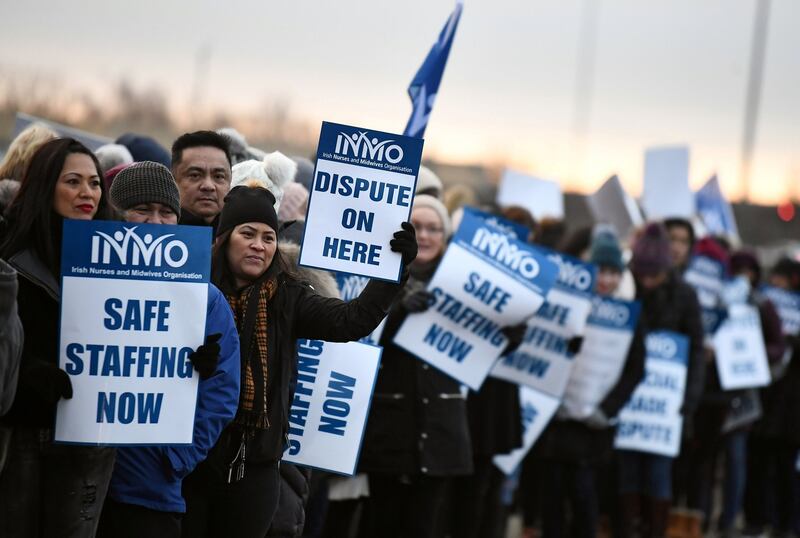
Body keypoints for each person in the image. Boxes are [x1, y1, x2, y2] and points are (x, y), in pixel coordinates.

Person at [181, 183, 416, 538]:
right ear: (223, 238)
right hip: (192, 461)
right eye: (247, 234)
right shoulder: (189, 287)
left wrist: (393, 270)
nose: (259, 245)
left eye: (268, 237)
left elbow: (352, 320)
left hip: (255, 466)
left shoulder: (288, 295)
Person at [94, 161, 241, 538]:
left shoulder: (204, 299)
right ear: (115, 214)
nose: (155, 223)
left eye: (166, 213)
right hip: (79, 479)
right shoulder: (83, 282)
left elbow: (222, 392)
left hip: (151, 488)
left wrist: (178, 457)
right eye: (142, 210)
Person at [0, 137, 115, 537]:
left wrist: (183, 358)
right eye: (73, 182)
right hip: (21, 435)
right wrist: (28, 372)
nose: (87, 193)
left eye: (95, 182)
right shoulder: (9, 255)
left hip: (89, 436)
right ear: (45, 185)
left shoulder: (123, 260)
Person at [359, 194, 473, 538]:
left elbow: (490, 345)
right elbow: (362, 334)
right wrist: (399, 309)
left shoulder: (465, 283)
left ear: (445, 235)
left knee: (425, 525)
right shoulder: (378, 276)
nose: (424, 235)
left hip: (440, 429)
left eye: (434, 228)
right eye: (416, 226)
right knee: (383, 522)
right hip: (390, 428)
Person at [537, 228, 645, 538]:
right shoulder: (568, 305)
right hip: (557, 424)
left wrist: (608, 409)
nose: (607, 280)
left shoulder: (630, 314)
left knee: (587, 504)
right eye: (601, 270)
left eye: (614, 273)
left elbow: (635, 369)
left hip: (595, 430)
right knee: (552, 505)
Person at [617, 223, 704, 538]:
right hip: (627, 405)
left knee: (658, 476)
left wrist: (688, 402)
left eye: (655, 276)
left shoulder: (685, 296)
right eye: (644, 276)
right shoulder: (627, 290)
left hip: (666, 411)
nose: (649, 283)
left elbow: (695, 351)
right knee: (625, 476)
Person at [171, 131, 233, 231]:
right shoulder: (157, 234)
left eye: (218, 176)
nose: (208, 186)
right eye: (195, 175)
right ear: (173, 181)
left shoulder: (243, 239)